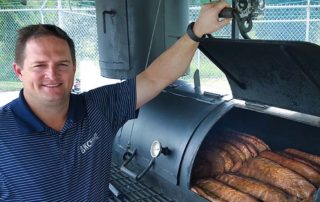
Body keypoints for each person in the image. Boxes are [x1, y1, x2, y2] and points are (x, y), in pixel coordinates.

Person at [0, 1, 230, 201]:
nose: (52, 74)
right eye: (39, 65)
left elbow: (154, 77)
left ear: (73, 68)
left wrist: (196, 31)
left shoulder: (100, 107)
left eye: (62, 64)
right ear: (19, 71)